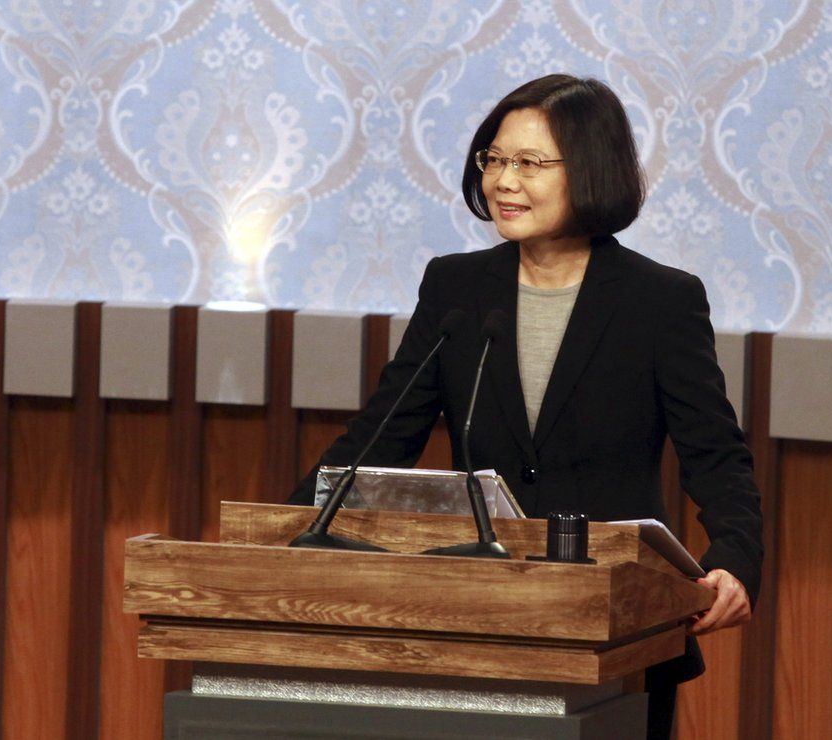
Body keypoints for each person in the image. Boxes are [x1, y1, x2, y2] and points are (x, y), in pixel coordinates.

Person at [289, 74, 762, 739]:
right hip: (482, 616)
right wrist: (283, 534)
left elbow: (716, 456)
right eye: (495, 159)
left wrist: (736, 562)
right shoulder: (457, 288)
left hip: (618, 626)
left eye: (530, 164)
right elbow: (379, 440)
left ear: (592, 171)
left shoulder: (659, 301)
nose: (504, 181)